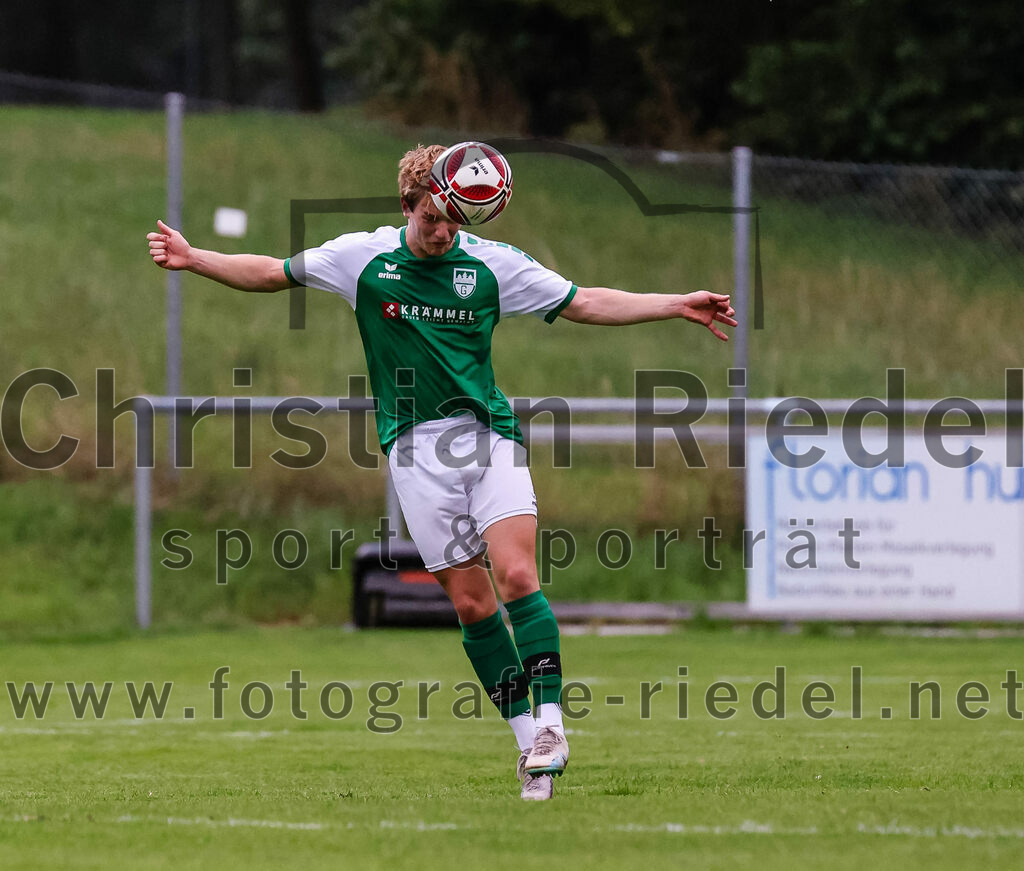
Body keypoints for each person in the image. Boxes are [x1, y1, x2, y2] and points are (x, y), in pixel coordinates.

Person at [147, 143, 736, 801]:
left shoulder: (489, 265)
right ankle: (529, 746)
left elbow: (585, 301)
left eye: (455, 219)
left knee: (515, 574)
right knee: (470, 601)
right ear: (408, 205)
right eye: (433, 216)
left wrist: (675, 303)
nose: (444, 230)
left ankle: (551, 722)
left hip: (489, 439)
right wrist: (195, 258)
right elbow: (269, 272)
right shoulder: (364, 258)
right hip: (415, 454)